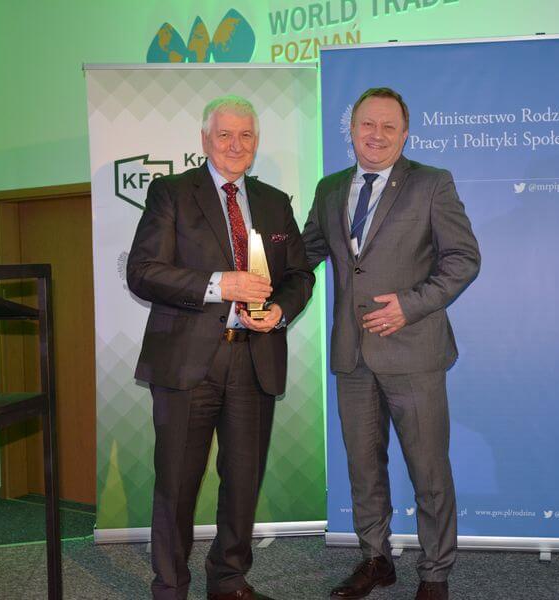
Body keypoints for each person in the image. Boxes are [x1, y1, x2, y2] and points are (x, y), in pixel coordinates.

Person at [127, 95, 314, 600]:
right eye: (225, 134)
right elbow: (142, 271)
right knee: (176, 483)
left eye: (245, 135)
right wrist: (219, 285)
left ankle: (229, 580)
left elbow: (299, 274)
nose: (236, 144)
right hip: (187, 361)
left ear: (257, 142)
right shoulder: (171, 192)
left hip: (255, 358)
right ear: (205, 140)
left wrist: (280, 310)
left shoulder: (274, 201)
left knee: (243, 481)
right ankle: (171, 586)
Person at [302, 88, 480, 600]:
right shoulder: (329, 188)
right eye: (366, 124)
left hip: (414, 351)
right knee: (363, 468)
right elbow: (305, 254)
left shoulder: (431, 183)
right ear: (352, 129)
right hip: (351, 354)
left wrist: (410, 304)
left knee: (429, 469)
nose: (375, 135)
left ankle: (435, 572)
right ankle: (375, 559)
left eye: (388, 126)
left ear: (404, 134)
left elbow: (463, 259)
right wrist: (252, 267)